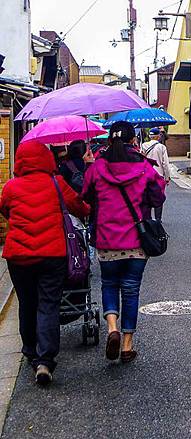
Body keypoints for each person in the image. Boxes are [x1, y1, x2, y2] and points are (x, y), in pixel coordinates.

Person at [0, 140, 90, 385]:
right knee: (48, 304)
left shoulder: (11, 186)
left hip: (18, 256)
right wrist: (89, 208)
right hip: (53, 254)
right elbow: (78, 207)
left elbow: (5, 210)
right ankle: (45, 361)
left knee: (27, 303)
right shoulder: (57, 183)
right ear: (46, 159)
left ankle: (30, 352)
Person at [82, 121, 166, 364]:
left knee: (109, 284)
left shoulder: (98, 167)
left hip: (106, 238)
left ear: (109, 141)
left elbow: (85, 195)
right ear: (133, 141)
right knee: (131, 290)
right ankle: (127, 345)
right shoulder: (143, 166)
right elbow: (158, 196)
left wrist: (89, 166)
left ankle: (112, 329)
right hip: (136, 240)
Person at [142, 127, 171, 221]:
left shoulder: (144, 145)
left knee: (147, 195)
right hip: (159, 175)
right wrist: (167, 177)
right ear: (158, 136)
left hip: (146, 174)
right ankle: (158, 218)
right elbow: (165, 163)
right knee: (159, 195)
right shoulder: (162, 147)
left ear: (150, 136)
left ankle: (147, 217)